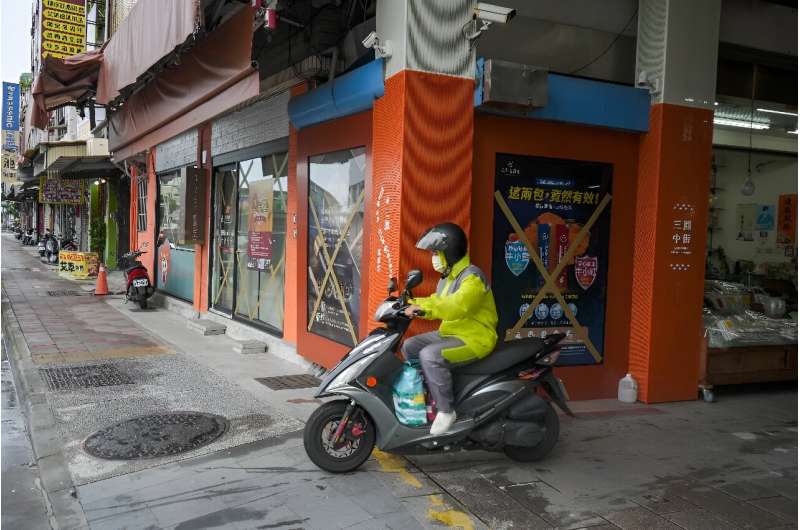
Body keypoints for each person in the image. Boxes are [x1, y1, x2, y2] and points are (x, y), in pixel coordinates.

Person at [402, 222, 498, 435]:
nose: (433, 257)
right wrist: (409, 303)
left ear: (450, 251)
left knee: (430, 355)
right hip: (451, 333)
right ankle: (425, 397)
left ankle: (446, 410)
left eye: (436, 252)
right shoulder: (448, 277)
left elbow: (457, 306)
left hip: (475, 338)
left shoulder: (472, 277)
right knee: (410, 346)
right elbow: (437, 301)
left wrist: (421, 308)